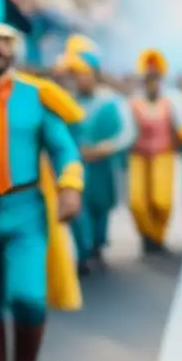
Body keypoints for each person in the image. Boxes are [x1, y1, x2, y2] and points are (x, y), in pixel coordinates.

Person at [0, 0, 83, 361]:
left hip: (25, 215)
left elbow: (65, 150)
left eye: (5, 39)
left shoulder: (38, 97)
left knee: (27, 297)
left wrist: (70, 185)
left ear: (14, 45)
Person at [65, 42, 137, 273]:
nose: (81, 79)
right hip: (76, 166)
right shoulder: (67, 101)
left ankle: (97, 245)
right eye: (78, 74)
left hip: (103, 167)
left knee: (100, 208)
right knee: (79, 210)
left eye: (85, 74)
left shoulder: (111, 101)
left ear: (95, 75)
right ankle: (83, 252)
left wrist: (107, 148)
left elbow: (127, 132)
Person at [128, 49, 182, 254]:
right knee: (138, 203)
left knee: (162, 202)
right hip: (138, 157)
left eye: (155, 77)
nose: (152, 82)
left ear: (161, 79)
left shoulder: (172, 101)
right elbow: (124, 131)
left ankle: (157, 237)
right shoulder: (132, 103)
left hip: (163, 156)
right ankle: (148, 235)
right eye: (148, 77)